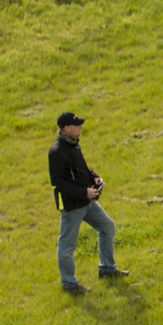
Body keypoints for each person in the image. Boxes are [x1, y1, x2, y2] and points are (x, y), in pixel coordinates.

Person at [49, 111, 127, 294]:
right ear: (66, 128)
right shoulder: (57, 151)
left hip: (87, 202)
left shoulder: (73, 144)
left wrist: (94, 177)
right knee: (67, 246)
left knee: (107, 227)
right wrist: (84, 193)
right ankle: (69, 284)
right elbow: (58, 182)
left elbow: (82, 169)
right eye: (77, 125)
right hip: (72, 206)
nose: (81, 127)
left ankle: (107, 269)